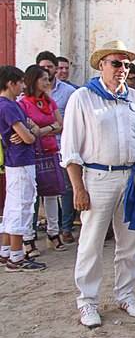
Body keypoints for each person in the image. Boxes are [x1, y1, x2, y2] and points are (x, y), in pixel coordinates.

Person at [61, 40, 135, 328]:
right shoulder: (83, 98)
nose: (122, 70)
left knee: (130, 241)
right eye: (116, 63)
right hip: (98, 177)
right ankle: (87, 301)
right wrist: (78, 187)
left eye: (126, 65)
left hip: (131, 177)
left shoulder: (134, 99)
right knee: (92, 242)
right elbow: (71, 147)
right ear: (101, 64)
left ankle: (126, 294)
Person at [0, 65, 46, 272]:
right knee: (21, 206)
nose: (22, 87)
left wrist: (30, 131)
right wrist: (31, 133)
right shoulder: (8, 106)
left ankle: (6, 251)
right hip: (20, 161)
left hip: (16, 161)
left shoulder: (10, 105)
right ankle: (16, 257)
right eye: (19, 83)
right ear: (11, 83)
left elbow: (30, 127)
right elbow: (28, 134)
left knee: (13, 206)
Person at [19, 65, 66, 252]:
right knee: (31, 195)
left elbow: (60, 125)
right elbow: (27, 127)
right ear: (34, 81)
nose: (48, 82)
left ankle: (54, 232)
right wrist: (47, 129)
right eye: (44, 79)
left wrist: (43, 130)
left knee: (52, 194)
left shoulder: (49, 102)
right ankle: (28, 237)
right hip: (32, 153)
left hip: (50, 150)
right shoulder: (23, 103)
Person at [36, 51, 78, 245]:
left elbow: (69, 123)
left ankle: (66, 227)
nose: (47, 70)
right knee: (42, 191)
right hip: (37, 150)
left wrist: (41, 130)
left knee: (66, 189)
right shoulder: (27, 96)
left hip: (62, 146)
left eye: (50, 67)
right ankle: (40, 230)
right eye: (43, 67)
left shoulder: (69, 92)